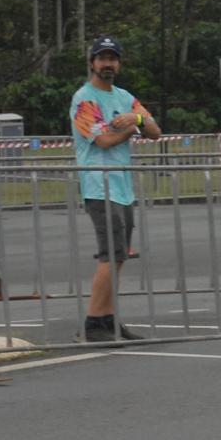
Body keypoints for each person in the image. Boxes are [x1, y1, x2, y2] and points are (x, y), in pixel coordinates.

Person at [70, 36, 163, 343]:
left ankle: (109, 318)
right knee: (110, 254)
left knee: (119, 256)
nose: (108, 64)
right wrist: (132, 130)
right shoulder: (85, 100)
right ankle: (94, 323)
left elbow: (155, 131)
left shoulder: (124, 97)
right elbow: (103, 141)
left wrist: (135, 120)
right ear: (92, 63)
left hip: (122, 187)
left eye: (113, 58)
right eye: (102, 58)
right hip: (99, 185)